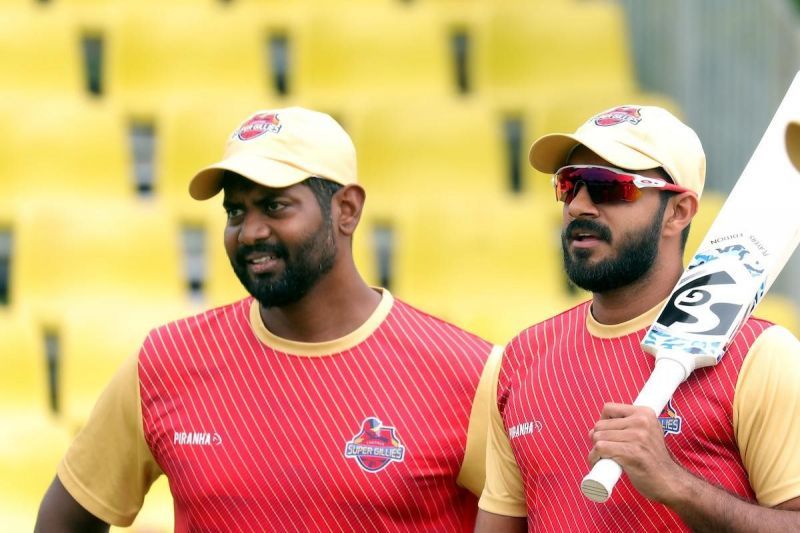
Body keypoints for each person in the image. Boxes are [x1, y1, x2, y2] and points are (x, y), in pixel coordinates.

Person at [35, 107, 502, 531]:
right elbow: (66, 518)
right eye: (236, 211)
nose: (251, 232)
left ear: (347, 209)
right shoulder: (165, 361)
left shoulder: (468, 373)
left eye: (275, 205)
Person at [475, 105, 800, 532]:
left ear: (678, 212)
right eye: (570, 185)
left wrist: (676, 484)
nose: (579, 207)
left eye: (608, 187)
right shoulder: (523, 358)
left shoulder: (760, 357)